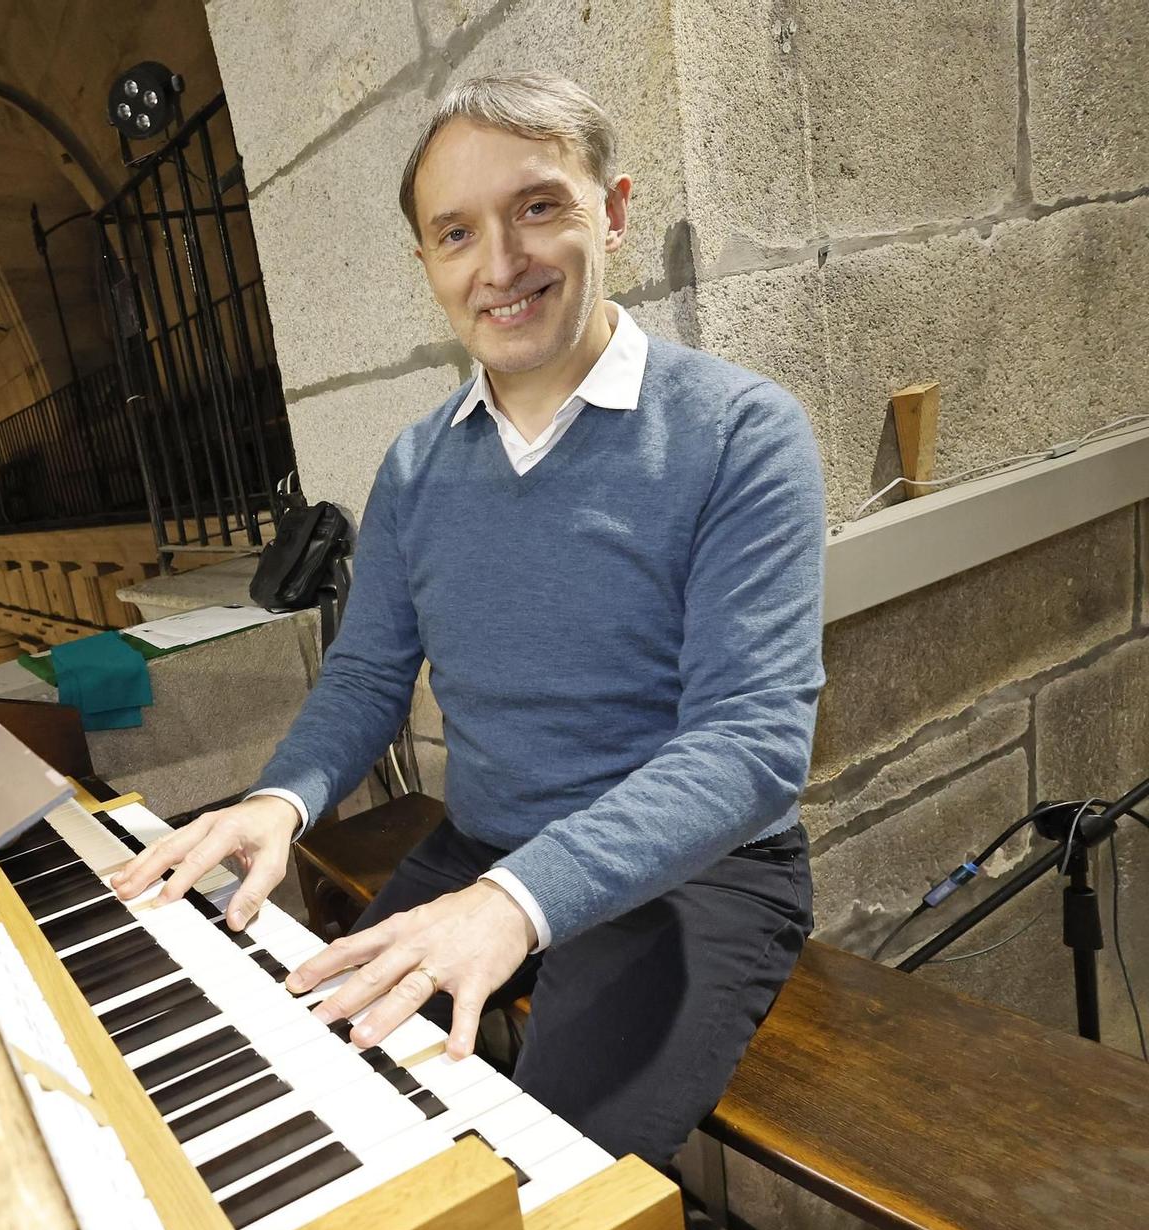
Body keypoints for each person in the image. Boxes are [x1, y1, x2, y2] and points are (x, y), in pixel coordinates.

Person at [109, 71, 826, 1166]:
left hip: (696, 873)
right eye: (455, 233)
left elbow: (749, 746)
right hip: (486, 843)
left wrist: (515, 901)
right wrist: (279, 799)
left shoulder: (738, 433)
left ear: (612, 210)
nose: (498, 265)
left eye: (537, 207)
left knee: (528, 1167)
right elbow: (363, 677)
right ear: (428, 266)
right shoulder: (414, 466)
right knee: (309, 1077)